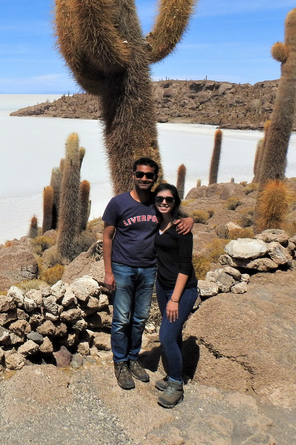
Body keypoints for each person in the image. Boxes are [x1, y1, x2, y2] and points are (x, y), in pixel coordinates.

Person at [102, 158, 192, 390]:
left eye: (149, 175)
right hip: (122, 267)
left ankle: (133, 358)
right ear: (133, 175)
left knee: (140, 318)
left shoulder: (158, 201)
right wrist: (108, 271)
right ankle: (120, 362)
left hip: (149, 269)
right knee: (121, 319)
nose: (144, 178)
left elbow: (179, 217)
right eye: (140, 174)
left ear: (154, 178)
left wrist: (190, 219)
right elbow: (107, 236)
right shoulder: (118, 203)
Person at [153, 182, 199, 408]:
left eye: (168, 199)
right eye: (160, 198)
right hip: (162, 286)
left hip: (182, 290)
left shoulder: (182, 228)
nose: (163, 202)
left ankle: (176, 383)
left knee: (166, 337)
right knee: (175, 333)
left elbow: (185, 266)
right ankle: (174, 372)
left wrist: (175, 299)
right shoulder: (156, 222)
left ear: (175, 202)